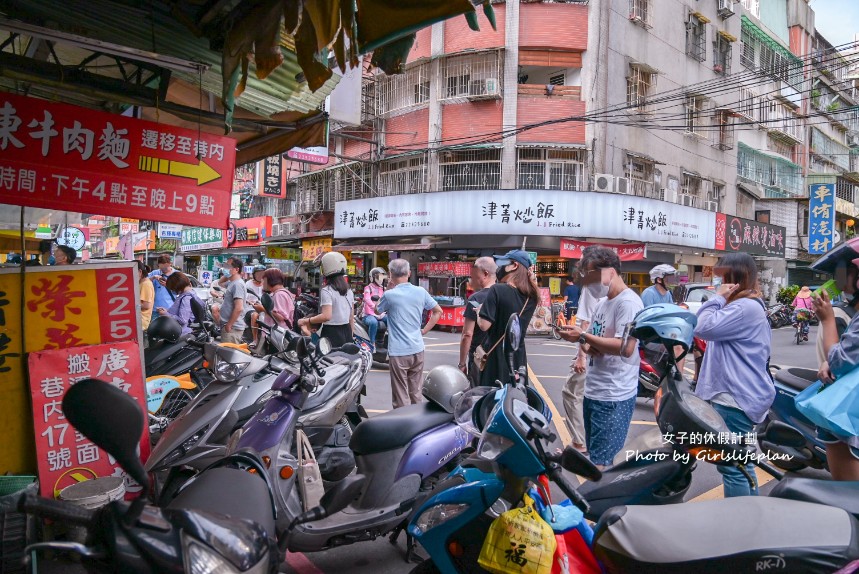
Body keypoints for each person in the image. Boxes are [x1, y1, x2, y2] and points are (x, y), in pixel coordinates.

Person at [694, 252, 773, 496]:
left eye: (722, 276)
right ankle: (749, 519)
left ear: (734, 277)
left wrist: (716, 299)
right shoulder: (747, 305)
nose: (719, 282)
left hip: (733, 400)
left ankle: (739, 523)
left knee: (733, 467)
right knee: (742, 463)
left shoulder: (743, 307)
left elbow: (702, 327)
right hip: (740, 398)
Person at [556, 246, 642, 469]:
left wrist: (585, 337)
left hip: (614, 395)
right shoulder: (602, 304)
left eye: (592, 276)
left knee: (602, 466)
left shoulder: (628, 303)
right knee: (596, 457)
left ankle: (599, 503)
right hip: (594, 391)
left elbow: (626, 347)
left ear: (610, 272)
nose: (588, 283)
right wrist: (582, 340)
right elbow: (589, 343)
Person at [811, 238, 859, 480]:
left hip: (847, 416)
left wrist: (827, 319)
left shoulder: (840, 314)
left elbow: (838, 361)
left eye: (844, 273)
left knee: (849, 495)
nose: (839, 282)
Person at [377, 259, 443, 408]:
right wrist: (424, 330)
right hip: (418, 349)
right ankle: (417, 424)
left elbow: (377, 310)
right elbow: (437, 311)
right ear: (409, 273)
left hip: (399, 352)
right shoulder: (420, 291)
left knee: (400, 395)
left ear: (390, 274)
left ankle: (402, 424)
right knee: (416, 392)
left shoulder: (390, 295)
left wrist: (387, 289)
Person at [476, 250, 539, 387]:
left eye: (503, 263)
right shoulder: (532, 297)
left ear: (514, 265)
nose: (499, 267)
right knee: (515, 399)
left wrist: (479, 312)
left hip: (496, 357)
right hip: (518, 357)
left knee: (492, 400)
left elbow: (484, 325)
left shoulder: (497, 290)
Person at [561, 282, 605, 453]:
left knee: (571, 393)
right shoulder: (617, 290)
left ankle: (580, 442)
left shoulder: (590, 286)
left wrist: (581, 356)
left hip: (589, 350)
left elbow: (585, 324)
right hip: (603, 351)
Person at [297, 252, 355, 348]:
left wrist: (306, 321)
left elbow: (326, 316)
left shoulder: (327, 290)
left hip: (332, 333)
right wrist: (351, 336)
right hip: (347, 330)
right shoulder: (348, 290)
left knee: (329, 361)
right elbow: (351, 317)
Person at [459, 257, 497, 387]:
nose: (472, 279)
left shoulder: (476, 298)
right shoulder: (504, 295)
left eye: (475, 275)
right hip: (498, 356)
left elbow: (467, 334)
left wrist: (462, 363)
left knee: (476, 395)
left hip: (479, 357)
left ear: (485, 273)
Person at [219, 257, 247, 344]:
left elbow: (239, 308)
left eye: (228, 267)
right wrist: (227, 274)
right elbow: (220, 283)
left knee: (228, 355)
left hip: (233, 327)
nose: (225, 269)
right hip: (230, 326)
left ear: (236, 269)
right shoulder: (232, 282)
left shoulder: (237, 284)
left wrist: (229, 325)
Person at [362, 267, 388, 351]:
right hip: (368, 314)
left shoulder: (382, 289)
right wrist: (375, 308)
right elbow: (367, 299)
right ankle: (372, 343)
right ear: (372, 278)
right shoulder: (368, 288)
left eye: (381, 277)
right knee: (373, 323)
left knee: (391, 320)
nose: (380, 279)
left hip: (380, 314)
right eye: (378, 277)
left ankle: (390, 341)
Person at [246, 265, 267, 348]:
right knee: (255, 315)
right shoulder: (248, 284)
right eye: (258, 273)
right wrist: (251, 303)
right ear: (254, 275)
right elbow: (245, 297)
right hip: (250, 308)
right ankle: (255, 340)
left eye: (262, 273)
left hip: (264, 308)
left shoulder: (266, 283)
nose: (260, 275)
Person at [136, 260, 155, 333]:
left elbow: (146, 305)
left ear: (140, 272)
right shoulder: (141, 283)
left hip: (141, 322)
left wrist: (130, 303)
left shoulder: (146, 284)